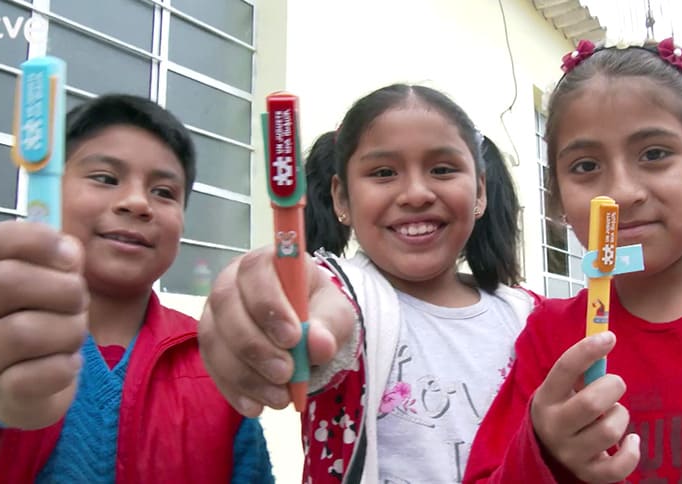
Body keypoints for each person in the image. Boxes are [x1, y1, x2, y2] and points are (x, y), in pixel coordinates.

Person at [464, 38, 682, 483]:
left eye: (654, 154)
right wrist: (544, 452)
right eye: (585, 165)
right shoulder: (551, 337)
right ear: (556, 196)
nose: (621, 191)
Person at [198, 83, 541, 483]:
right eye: (383, 173)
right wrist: (277, 303)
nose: (415, 193)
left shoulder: (524, 314)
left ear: (479, 190)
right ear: (342, 199)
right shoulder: (348, 293)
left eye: (443, 169)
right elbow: (324, 303)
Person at [0, 94, 273, 483]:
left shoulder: (215, 359)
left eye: (164, 192)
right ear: (50, 190)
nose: (137, 202)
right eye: (106, 179)